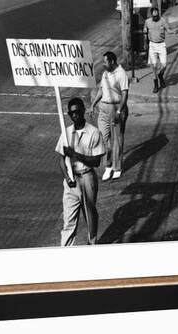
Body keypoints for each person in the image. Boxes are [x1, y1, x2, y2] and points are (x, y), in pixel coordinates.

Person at [55, 97, 105, 246]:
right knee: (69, 221)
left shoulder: (94, 132)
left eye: (77, 112)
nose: (74, 115)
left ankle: (92, 242)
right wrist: (67, 177)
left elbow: (96, 162)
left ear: (83, 111)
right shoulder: (66, 133)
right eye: (71, 113)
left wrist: (75, 155)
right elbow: (61, 159)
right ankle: (66, 250)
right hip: (71, 181)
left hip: (87, 178)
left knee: (90, 214)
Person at [90, 51, 129, 181]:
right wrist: (93, 104)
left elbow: (124, 94)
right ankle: (108, 165)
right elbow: (101, 89)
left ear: (112, 61)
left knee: (117, 139)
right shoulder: (106, 73)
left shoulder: (121, 74)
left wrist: (119, 112)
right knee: (103, 138)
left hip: (116, 107)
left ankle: (117, 167)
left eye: (105, 62)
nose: (103, 64)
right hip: (103, 108)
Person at [143, 7, 178, 93]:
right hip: (152, 45)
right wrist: (145, 43)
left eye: (157, 15)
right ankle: (156, 84)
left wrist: (173, 31)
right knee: (154, 66)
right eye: (154, 16)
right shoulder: (147, 22)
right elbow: (145, 33)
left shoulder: (162, 20)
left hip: (161, 45)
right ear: (151, 15)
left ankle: (160, 75)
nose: (156, 17)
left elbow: (168, 30)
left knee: (164, 65)